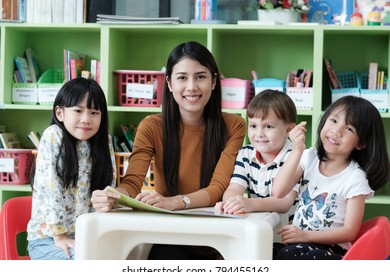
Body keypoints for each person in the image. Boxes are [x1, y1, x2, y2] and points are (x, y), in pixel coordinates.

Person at [91, 41, 246, 259]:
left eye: (200, 76)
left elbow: (218, 188)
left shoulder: (234, 125)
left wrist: (175, 201)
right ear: (170, 83)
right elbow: (133, 182)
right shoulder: (151, 126)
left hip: (220, 239)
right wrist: (114, 196)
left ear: (213, 81)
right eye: (182, 77)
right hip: (171, 236)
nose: (191, 86)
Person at [272, 95, 389, 260]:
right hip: (299, 244)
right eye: (334, 121)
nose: (337, 131)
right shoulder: (309, 157)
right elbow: (278, 191)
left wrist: (305, 236)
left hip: (332, 250)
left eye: (349, 129)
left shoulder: (355, 178)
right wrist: (297, 150)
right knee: (264, 250)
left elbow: (350, 232)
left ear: (360, 143)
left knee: (290, 255)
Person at [27, 77, 117, 260]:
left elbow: (108, 187)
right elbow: (50, 191)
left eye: (94, 113)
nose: (86, 119)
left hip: (86, 237)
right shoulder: (53, 135)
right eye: (78, 110)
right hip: (48, 240)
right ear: (60, 113)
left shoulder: (103, 141)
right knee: (89, 264)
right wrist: (60, 236)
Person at [214, 90, 298, 220]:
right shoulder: (246, 154)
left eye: (268, 126)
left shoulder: (295, 156)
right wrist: (230, 204)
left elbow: (284, 203)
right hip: (259, 226)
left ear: (289, 130)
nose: (259, 134)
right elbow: (234, 188)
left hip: (288, 234)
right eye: (253, 126)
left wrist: (249, 204)